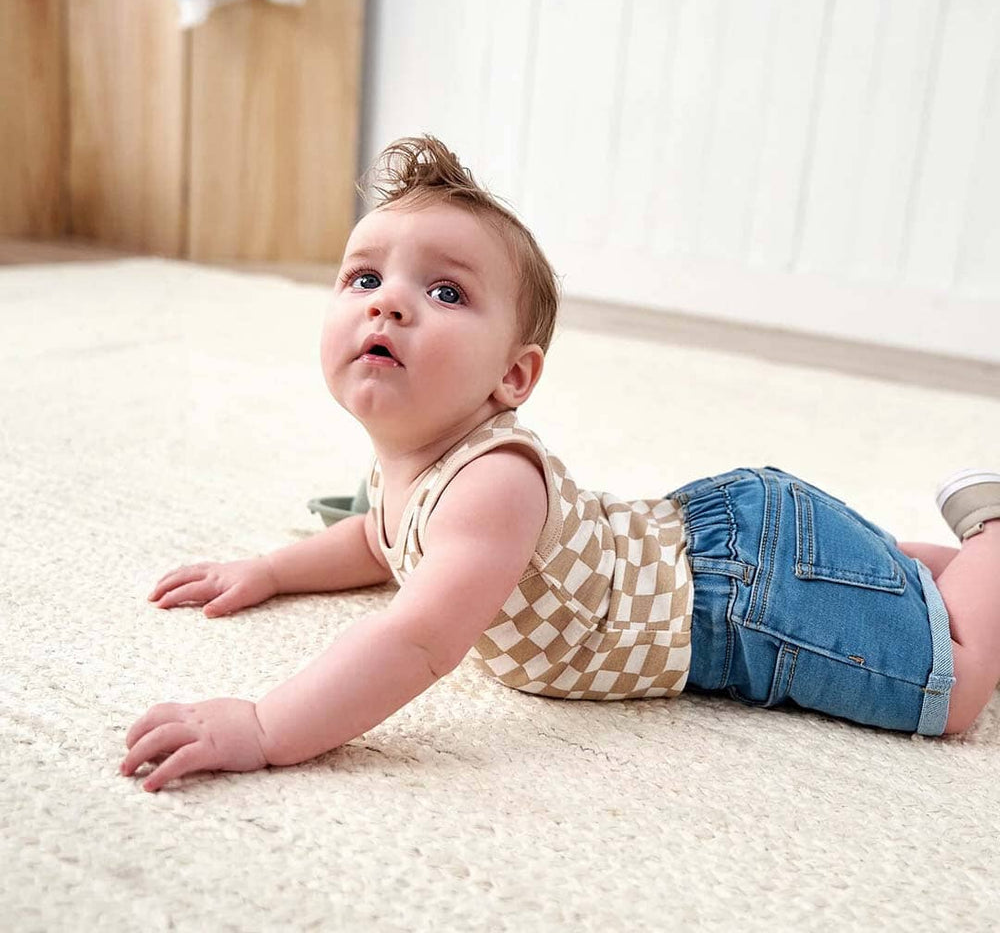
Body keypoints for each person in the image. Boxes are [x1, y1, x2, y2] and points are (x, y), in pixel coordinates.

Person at [121, 135, 1000, 793]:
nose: (388, 303)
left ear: (513, 377)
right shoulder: (410, 469)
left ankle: (991, 535)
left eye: (445, 291)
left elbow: (414, 638)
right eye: (364, 278)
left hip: (746, 599)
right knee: (891, 597)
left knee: (953, 691)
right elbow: (377, 540)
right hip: (730, 548)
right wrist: (272, 570)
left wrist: (267, 725)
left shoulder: (493, 483)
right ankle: (931, 573)